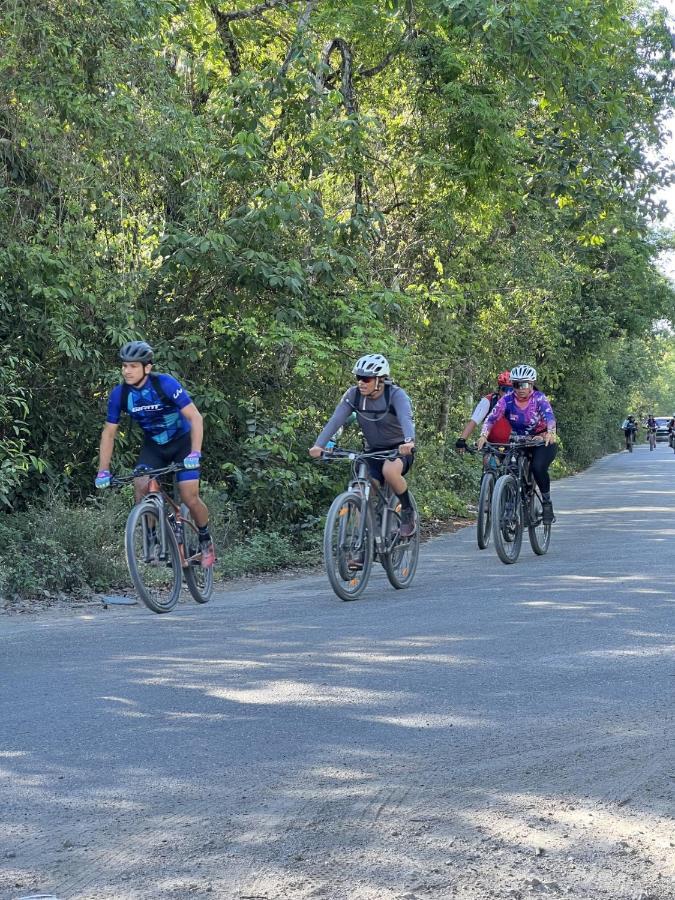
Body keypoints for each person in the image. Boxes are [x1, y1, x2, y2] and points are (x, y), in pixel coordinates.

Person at [95, 341, 215, 567]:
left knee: (189, 496)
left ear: (147, 368)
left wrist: (195, 453)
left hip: (182, 443)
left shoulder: (165, 384)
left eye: (132, 366)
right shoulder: (120, 394)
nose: (126, 371)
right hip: (154, 446)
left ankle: (205, 538)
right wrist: (103, 470)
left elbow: (195, 418)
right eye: (124, 366)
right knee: (141, 484)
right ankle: (152, 541)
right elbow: (109, 434)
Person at [308, 353, 416, 539]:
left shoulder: (396, 395)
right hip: (372, 451)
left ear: (380, 380)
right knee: (360, 491)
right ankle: (361, 545)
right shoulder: (353, 395)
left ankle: (407, 511)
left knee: (390, 472)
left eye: (366, 379)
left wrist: (408, 441)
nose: (361, 383)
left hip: (397, 448)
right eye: (358, 378)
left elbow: (406, 419)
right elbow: (336, 421)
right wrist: (319, 445)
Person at [477, 364, 558, 524]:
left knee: (537, 467)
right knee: (509, 467)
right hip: (518, 440)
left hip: (540, 440)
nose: (521, 389)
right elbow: (492, 418)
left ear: (531, 384)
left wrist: (550, 432)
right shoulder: (506, 400)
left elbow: (549, 416)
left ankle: (547, 503)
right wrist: (483, 435)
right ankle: (509, 502)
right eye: (516, 385)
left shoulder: (539, 398)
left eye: (525, 384)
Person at [455, 371, 513, 452]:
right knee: (488, 461)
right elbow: (474, 421)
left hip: (515, 445)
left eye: (511, 390)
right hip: (492, 444)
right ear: (499, 389)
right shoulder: (489, 401)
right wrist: (462, 439)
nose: (508, 393)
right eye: (505, 389)